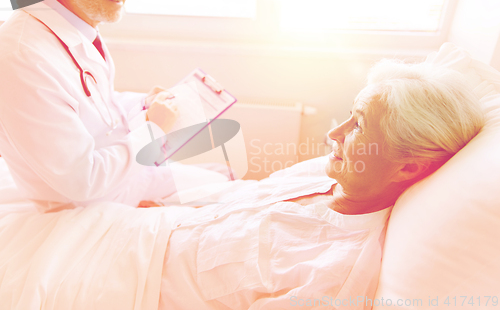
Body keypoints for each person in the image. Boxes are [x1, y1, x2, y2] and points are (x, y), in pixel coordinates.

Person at [155, 59, 485, 309]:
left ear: (408, 166)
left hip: (137, 283)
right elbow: (242, 197)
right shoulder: (323, 175)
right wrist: (167, 201)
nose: (333, 133)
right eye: (349, 115)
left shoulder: (333, 274)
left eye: (359, 126)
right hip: (153, 225)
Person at [0, 0, 180, 212]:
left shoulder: (75, 24)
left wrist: (142, 105)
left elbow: (88, 104)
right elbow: (81, 179)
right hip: (85, 208)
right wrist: (152, 132)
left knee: (220, 177)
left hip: (114, 182)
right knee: (218, 190)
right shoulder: (22, 54)